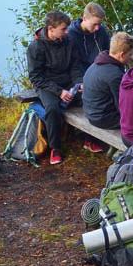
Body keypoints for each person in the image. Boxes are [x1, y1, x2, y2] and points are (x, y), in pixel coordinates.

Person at [27, 11, 84, 165]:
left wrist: (79, 83)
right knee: (52, 108)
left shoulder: (69, 41)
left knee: (90, 97)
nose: (67, 32)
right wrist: (59, 92)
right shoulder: (36, 46)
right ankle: (55, 148)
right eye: (63, 29)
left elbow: (75, 67)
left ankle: (90, 139)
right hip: (47, 85)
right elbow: (36, 77)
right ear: (51, 29)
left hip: (68, 82)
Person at [82, 32, 133, 133]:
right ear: (122, 54)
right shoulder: (114, 74)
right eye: (130, 54)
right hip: (103, 119)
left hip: (91, 112)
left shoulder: (98, 62)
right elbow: (123, 106)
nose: (131, 57)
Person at [68, 2, 111, 73]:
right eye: (94, 24)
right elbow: (73, 64)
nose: (97, 28)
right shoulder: (71, 35)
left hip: (101, 72)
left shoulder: (101, 31)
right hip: (81, 75)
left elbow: (108, 52)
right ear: (84, 18)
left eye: (99, 24)